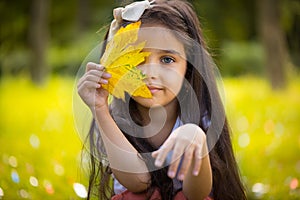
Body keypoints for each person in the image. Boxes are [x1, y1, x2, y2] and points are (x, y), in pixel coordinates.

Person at [77, 0, 246, 199]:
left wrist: (197, 139)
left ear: (188, 65)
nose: (151, 73)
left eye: (167, 59)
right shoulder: (114, 119)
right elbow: (137, 183)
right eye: (137, 59)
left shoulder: (201, 114)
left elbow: (197, 195)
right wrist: (99, 108)